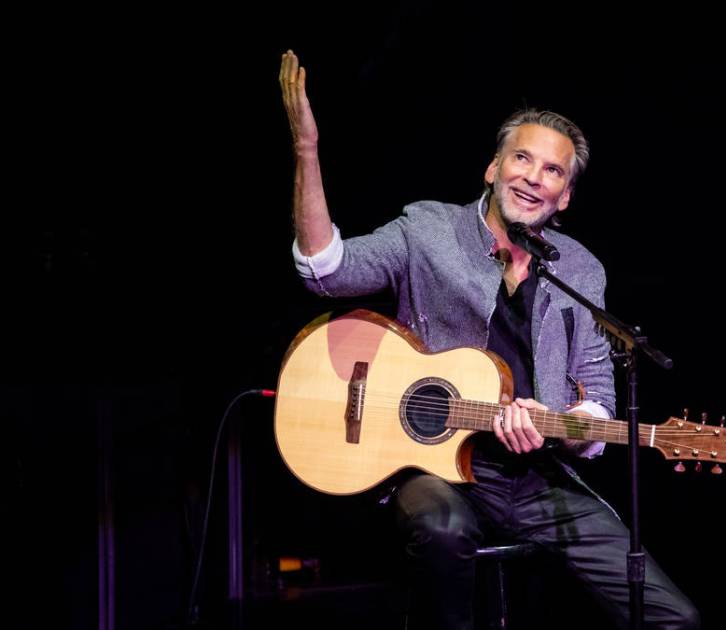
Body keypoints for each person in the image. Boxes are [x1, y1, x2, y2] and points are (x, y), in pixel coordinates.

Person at [279, 49, 700, 629]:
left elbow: (599, 398)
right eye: (521, 159)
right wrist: (307, 151)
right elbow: (326, 270)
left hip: (535, 481)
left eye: (552, 170)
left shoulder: (580, 271)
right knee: (441, 530)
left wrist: (558, 420)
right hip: (430, 472)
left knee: (674, 618)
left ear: (565, 196)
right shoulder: (427, 229)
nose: (533, 176)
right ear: (493, 168)